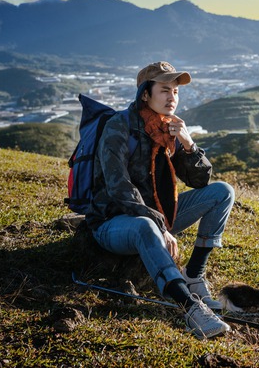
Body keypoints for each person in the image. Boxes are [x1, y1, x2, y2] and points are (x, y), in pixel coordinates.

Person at [86, 61, 235, 339]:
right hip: (113, 224)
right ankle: (190, 307)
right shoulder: (118, 127)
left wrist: (189, 144)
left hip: (159, 220)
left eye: (176, 92)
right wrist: (159, 225)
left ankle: (193, 275)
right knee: (145, 225)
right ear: (145, 94)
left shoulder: (168, 130)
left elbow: (200, 182)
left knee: (223, 191)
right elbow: (118, 187)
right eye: (165, 90)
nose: (172, 98)